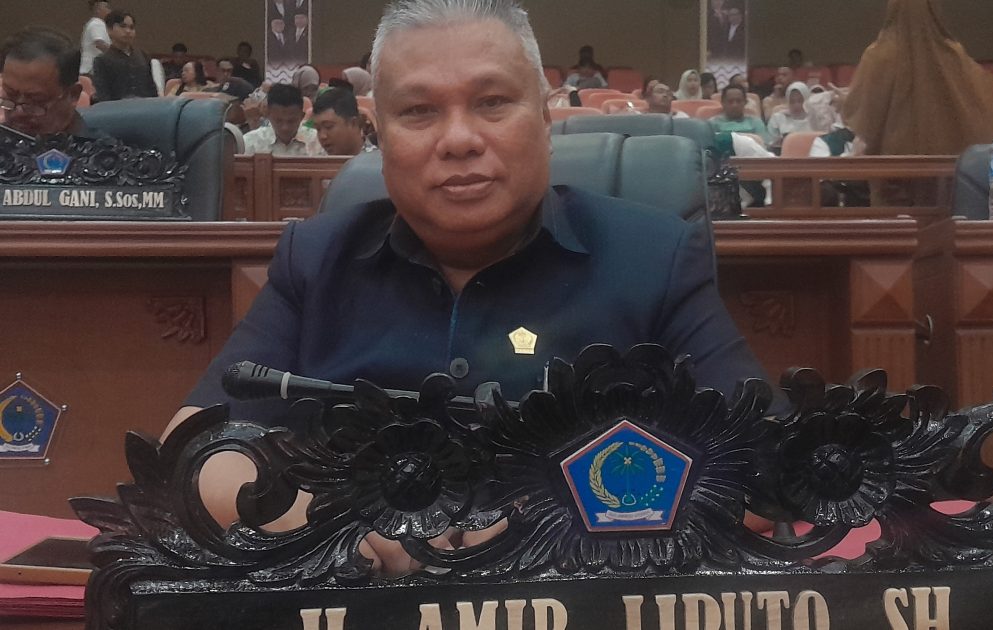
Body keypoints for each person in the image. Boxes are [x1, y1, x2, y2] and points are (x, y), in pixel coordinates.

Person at [170, 0, 771, 568]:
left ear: (543, 118)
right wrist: (324, 524)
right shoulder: (316, 259)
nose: (459, 139)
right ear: (381, 135)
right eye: (418, 111)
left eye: (492, 102)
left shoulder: (653, 258)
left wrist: (564, 520)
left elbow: (767, 466)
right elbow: (191, 451)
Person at [842, 0, 993, 156]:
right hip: (946, 174)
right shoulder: (952, 55)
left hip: (891, 173)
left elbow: (860, 113)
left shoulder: (877, 56)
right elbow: (992, 93)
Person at [1, 27, 96, 137]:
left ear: (73, 94)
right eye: (10, 95)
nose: (18, 113)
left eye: (35, 102)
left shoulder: (101, 147)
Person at [90, 9, 157, 102]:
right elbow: (103, 94)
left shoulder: (143, 55)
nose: (128, 31)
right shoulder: (102, 60)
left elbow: (151, 88)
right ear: (109, 30)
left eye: (131, 27)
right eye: (123, 26)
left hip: (145, 107)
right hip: (116, 108)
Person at [241, 83, 322, 156]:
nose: (285, 128)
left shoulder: (318, 142)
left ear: (302, 116)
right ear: (268, 115)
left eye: (291, 121)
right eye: (278, 121)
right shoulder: (249, 143)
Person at [309, 87, 373, 155]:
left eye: (328, 127)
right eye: (318, 129)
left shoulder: (377, 159)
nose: (322, 136)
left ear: (353, 123)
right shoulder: (316, 158)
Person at [765, 82, 812, 151]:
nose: (796, 105)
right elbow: (769, 143)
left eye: (800, 101)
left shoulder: (815, 118)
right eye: (792, 101)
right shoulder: (778, 118)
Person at [79, 0, 110, 76]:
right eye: (106, 7)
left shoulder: (96, 23)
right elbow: (99, 43)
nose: (109, 11)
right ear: (98, 10)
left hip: (91, 69)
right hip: (91, 70)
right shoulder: (97, 24)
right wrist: (116, 54)